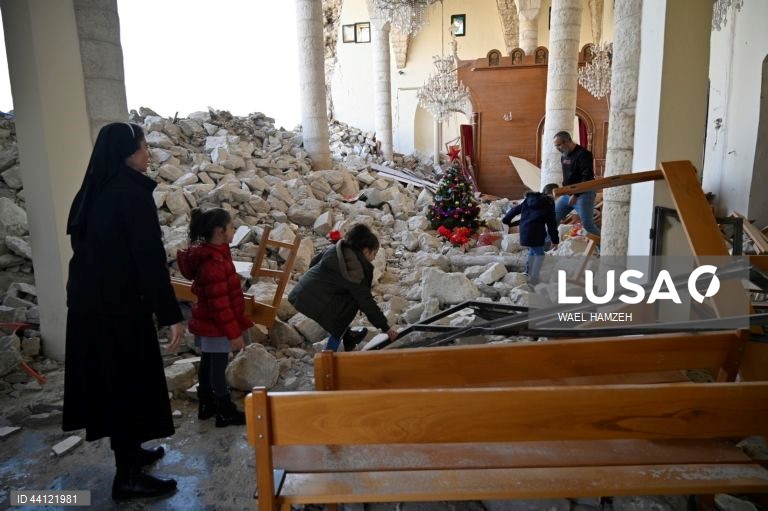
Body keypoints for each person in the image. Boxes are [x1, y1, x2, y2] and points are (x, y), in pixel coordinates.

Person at [62, 122, 185, 501]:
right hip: (117, 312)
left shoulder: (95, 190)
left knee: (117, 385)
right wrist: (171, 315)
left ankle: (131, 453)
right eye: (143, 146)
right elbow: (147, 259)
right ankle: (127, 477)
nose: (148, 153)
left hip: (93, 308)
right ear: (125, 153)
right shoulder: (129, 194)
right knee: (126, 385)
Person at [177, 207, 253, 428]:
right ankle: (224, 411)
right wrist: (233, 333)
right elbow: (220, 304)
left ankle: (206, 405)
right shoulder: (213, 264)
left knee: (208, 361)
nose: (234, 230)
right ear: (220, 231)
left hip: (209, 321)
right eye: (231, 227)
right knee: (217, 367)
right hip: (216, 324)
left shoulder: (214, 253)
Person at [288, 224, 398, 351]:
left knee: (346, 298)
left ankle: (349, 336)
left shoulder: (338, 249)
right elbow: (366, 302)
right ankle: (329, 356)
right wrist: (386, 328)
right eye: (374, 254)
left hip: (300, 292)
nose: (373, 259)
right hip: (313, 299)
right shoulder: (355, 269)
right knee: (348, 309)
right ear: (366, 251)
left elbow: (313, 263)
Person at [502, 184, 560, 285]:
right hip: (537, 232)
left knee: (532, 251)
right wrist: (555, 240)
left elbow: (515, 210)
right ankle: (534, 278)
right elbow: (552, 224)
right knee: (540, 254)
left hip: (524, 231)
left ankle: (527, 272)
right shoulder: (549, 203)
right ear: (553, 194)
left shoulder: (529, 199)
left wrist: (506, 219)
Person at [552, 131, 600, 237]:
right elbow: (567, 176)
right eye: (556, 145)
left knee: (588, 225)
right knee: (552, 218)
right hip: (568, 194)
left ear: (568, 141)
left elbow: (587, 177)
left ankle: (604, 247)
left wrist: (576, 194)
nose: (557, 148)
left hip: (584, 194)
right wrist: (564, 191)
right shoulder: (564, 155)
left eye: (559, 145)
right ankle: (544, 248)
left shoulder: (583, 154)